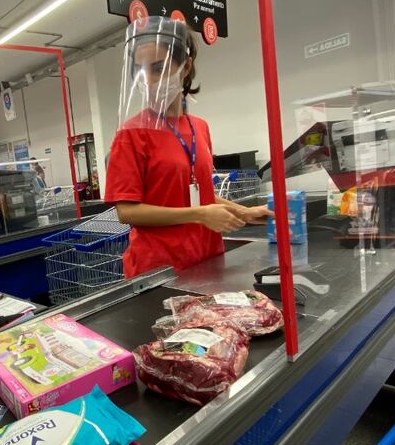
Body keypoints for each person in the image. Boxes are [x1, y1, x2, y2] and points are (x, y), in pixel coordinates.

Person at [105, 16, 271, 278]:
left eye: (158, 68)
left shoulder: (199, 127)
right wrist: (199, 214)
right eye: (141, 71)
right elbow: (126, 211)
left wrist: (244, 212)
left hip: (206, 259)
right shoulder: (131, 134)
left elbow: (198, 193)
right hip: (158, 271)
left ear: (186, 66)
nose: (149, 80)